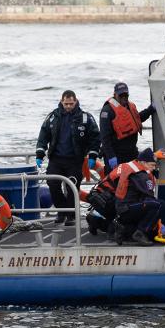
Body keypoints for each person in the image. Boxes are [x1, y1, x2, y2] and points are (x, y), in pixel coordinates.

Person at [35, 90, 100, 226]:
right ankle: (62, 212)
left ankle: (71, 215)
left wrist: (93, 155)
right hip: (56, 159)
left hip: (74, 160)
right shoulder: (53, 116)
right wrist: (40, 153)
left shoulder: (85, 118)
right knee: (52, 184)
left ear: (75, 101)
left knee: (72, 186)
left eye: (71, 103)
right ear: (61, 101)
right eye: (66, 104)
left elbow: (95, 137)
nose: (68, 106)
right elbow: (43, 135)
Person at [114, 147, 165, 246]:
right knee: (159, 204)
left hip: (122, 209)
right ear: (143, 163)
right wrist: (158, 221)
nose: (154, 168)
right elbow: (150, 196)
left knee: (150, 206)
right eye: (152, 165)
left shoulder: (134, 168)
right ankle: (140, 233)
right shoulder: (140, 175)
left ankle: (122, 229)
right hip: (127, 208)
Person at [99, 81, 155, 168]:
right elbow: (104, 137)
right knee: (116, 180)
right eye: (121, 95)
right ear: (115, 95)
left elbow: (137, 119)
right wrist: (111, 156)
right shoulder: (107, 111)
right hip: (116, 154)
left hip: (131, 152)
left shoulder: (130, 106)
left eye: (126, 95)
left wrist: (150, 109)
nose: (124, 97)